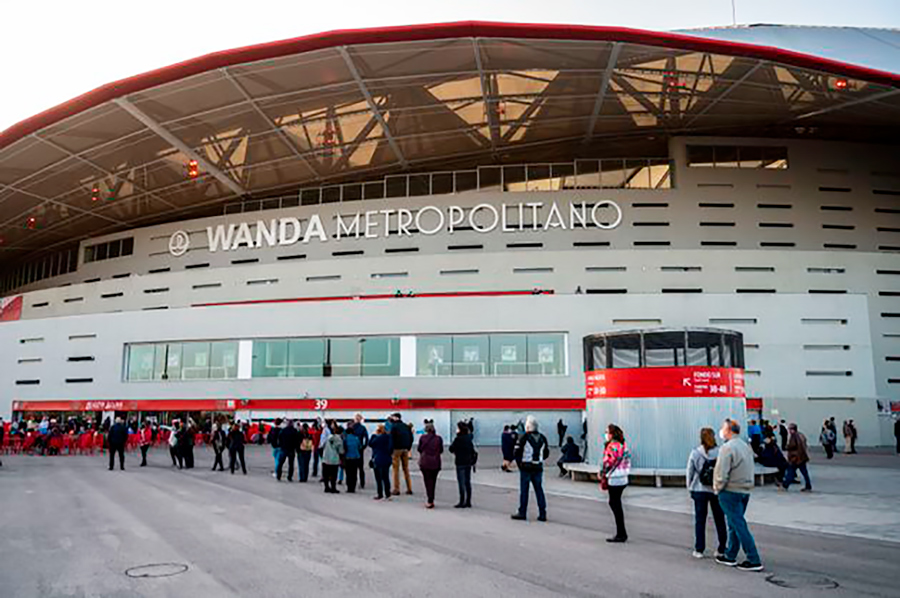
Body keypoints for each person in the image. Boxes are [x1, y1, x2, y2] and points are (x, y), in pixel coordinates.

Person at [713, 419, 763, 572]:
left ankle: (753, 558)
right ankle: (730, 555)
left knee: (738, 524)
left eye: (723, 428)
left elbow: (722, 472)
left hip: (730, 491)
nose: (721, 431)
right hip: (744, 490)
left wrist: (717, 488)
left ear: (729, 430)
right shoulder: (745, 446)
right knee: (734, 524)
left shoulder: (727, 448)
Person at [686, 428, 727, 558]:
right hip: (716, 490)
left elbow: (690, 471)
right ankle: (721, 548)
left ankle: (699, 549)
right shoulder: (720, 452)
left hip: (699, 490)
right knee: (719, 519)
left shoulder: (695, 452)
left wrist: (690, 487)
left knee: (700, 520)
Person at [511, 415, 549, 522]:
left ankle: (522, 512)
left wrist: (520, 464)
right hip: (538, 467)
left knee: (524, 491)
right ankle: (543, 513)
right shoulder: (543, 437)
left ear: (528, 427)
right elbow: (546, 453)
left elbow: (516, 452)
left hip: (526, 467)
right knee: (539, 490)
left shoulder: (524, 437)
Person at [601, 424, 631, 543]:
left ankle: (621, 533)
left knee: (614, 504)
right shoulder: (623, 446)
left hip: (614, 478)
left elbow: (608, 462)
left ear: (611, 434)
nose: (605, 434)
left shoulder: (611, 446)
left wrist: (602, 472)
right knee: (615, 503)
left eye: (606, 432)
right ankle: (621, 532)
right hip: (623, 477)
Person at [449, 421, 476, 508]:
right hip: (468, 462)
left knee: (461, 482)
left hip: (460, 462)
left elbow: (451, 449)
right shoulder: (469, 439)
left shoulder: (458, 439)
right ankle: (468, 501)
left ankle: (462, 501)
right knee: (468, 482)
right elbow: (472, 450)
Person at [417, 421, 444, 508]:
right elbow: (441, 450)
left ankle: (430, 499)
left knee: (427, 481)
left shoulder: (422, 438)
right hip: (436, 462)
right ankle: (431, 498)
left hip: (425, 462)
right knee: (433, 481)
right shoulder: (439, 438)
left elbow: (419, 449)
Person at [783, 423, 812, 492]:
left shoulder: (794, 436)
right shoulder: (800, 435)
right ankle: (808, 486)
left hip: (795, 458)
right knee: (804, 473)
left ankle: (785, 485)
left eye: (790, 429)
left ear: (793, 429)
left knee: (791, 471)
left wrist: (787, 447)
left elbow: (792, 446)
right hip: (802, 457)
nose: (789, 431)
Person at [390, 413, 414, 496]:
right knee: (406, 469)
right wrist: (408, 447)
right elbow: (411, 438)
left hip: (396, 449)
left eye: (392, 417)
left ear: (396, 418)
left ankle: (396, 489)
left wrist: (390, 449)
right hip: (405, 449)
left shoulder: (394, 427)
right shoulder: (406, 426)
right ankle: (409, 488)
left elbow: (391, 439)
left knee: (396, 469)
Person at [369, 424, 393, 500]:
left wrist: (373, 435)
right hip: (387, 458)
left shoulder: (377, 438)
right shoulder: (389, 438)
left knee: (378, 478)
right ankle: (388, 494)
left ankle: (380, 493)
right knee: (386, 477)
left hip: (377, 459)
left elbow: (370, 444)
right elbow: (391, 448)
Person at [322, 424, 344, 494]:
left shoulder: (328, 437)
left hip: (326, 458)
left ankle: (326, 487)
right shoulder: (339, 439)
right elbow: (341, 450)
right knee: (333, 475)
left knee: (326, 474)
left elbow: (323, 445)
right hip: (334, 459)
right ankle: (333, 487)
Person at [351, 413, 369, 490]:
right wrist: (363, 447)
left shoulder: (352, 427)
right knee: (361, 467)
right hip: (359, 449)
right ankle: (362, 483)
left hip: (352, 448)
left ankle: (352, 482)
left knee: (352, 467)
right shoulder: (363, 428)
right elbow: (367, 438)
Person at [343, 425, 363, 493]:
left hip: (348, 457)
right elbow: (360, 447)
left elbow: (344, 448)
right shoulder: (356, 438)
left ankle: (349, 487)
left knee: (348, 473)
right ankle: (353, 487)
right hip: (356, 457)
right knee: (354, 473)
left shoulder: (345, 439)